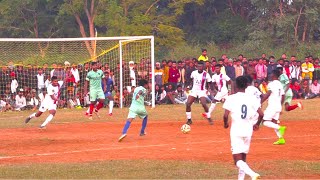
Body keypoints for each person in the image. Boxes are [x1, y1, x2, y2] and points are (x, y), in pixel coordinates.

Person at [223, 76, 263, 180]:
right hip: (248, 129)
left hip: (236, 130)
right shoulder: (252, 98)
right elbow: (261, 114)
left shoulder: (231, 98)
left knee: (237, 160)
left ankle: (253, 174)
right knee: (243, 157)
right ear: (247, 85)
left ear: (236, 85)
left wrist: (225, 124)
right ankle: (241, 178)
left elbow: (225, 115)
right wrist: (257, 124)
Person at [261, 70, 287, 145]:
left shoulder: (271, 84)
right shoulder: (279, 84)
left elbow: (268, 94)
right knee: (274, 122)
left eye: (271, 74)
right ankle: (281, 139)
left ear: (274, 75)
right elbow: (283, 95)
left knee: (264, 121)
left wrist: (260, 102)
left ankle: (280, 128)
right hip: (278, 106)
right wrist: (280, 105)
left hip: (272, 106)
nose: (270, 75)